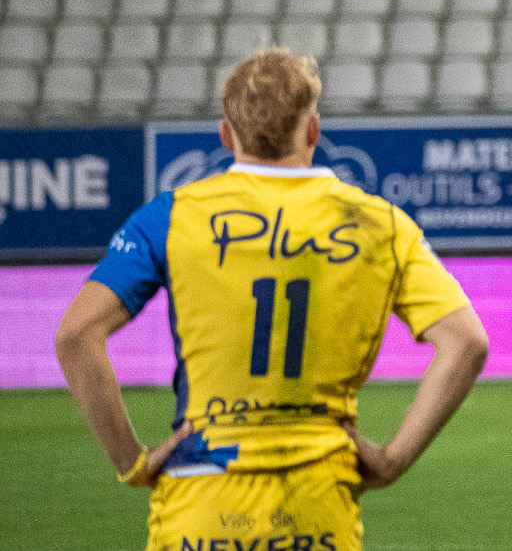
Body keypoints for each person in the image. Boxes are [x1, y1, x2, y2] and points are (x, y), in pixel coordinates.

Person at [53, 47, 489, 551]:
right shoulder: (381, 224)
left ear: (225, 134)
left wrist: (133, 463)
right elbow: (466, 341)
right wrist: (393, 459)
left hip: (200, 501)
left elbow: (76, 334)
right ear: (312, 131)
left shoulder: (171, 216)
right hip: (318, 507)